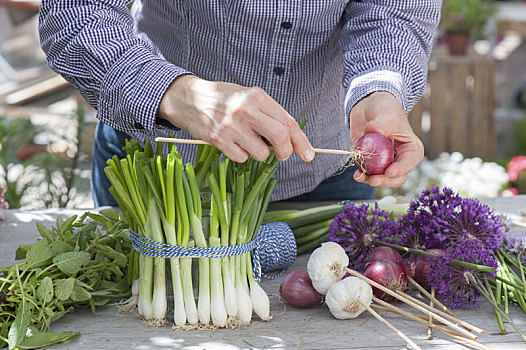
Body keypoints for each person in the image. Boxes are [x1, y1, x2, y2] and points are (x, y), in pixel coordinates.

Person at [38, 1, 440, 207]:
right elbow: (74, 15)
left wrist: (379, 88)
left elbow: (393, 11)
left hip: (322, 174)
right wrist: (178, 94)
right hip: (160, 167)